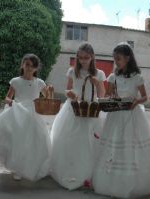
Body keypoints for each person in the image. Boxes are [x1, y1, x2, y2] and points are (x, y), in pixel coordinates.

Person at [92, 43, 150, 198]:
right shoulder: (113, 77)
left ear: (127, 58)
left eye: (118, 58)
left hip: (133, 114)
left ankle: (134, 181)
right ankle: (113, 181)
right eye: (114, 59)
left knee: (131, 145)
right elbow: (110, 95)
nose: (116, 61)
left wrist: (136, 102)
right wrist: (110, 98)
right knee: (115, 145)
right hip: (116, 114)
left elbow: (145, 97)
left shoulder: (137, 77)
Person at [0, 54, 51, 181]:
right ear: (22, 65)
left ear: (36, 69)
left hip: (33, 114)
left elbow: (48, 97)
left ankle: (30, 166)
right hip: (18, 112)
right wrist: (10, 102)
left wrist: (48, 93)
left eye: (32, 66)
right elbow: (7, 97)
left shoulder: (39, 83)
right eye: (26, 65)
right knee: (17, 141)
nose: (29, 68)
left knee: (33, 141)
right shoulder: (15, 81)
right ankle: (17, 168)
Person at [49, 42, 106, 190]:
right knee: (70, 140)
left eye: (86, 57)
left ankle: (88, 173)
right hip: (74, 108)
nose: (83, 61)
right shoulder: (72, 71)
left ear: (92, 57)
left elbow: (102, 95)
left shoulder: (99, 73)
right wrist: (70, 94)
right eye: (80, 58)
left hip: (91, 109)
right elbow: (67, 89)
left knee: (89, 143)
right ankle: (70, 170)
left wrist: (96, 83)